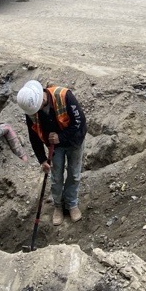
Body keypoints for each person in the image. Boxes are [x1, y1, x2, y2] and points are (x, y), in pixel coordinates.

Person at [16, 80, 88, 225]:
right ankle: (58, 206)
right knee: (56, 177)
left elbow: (79, 122)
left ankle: (72, 204)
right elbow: (34, 136)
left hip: (74, 141)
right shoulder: (31, 109)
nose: (36, 113)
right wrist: (42, 159)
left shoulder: (64, 96)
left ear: (41, 98)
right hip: (54, 147)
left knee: (74, 174)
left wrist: (60, 137)